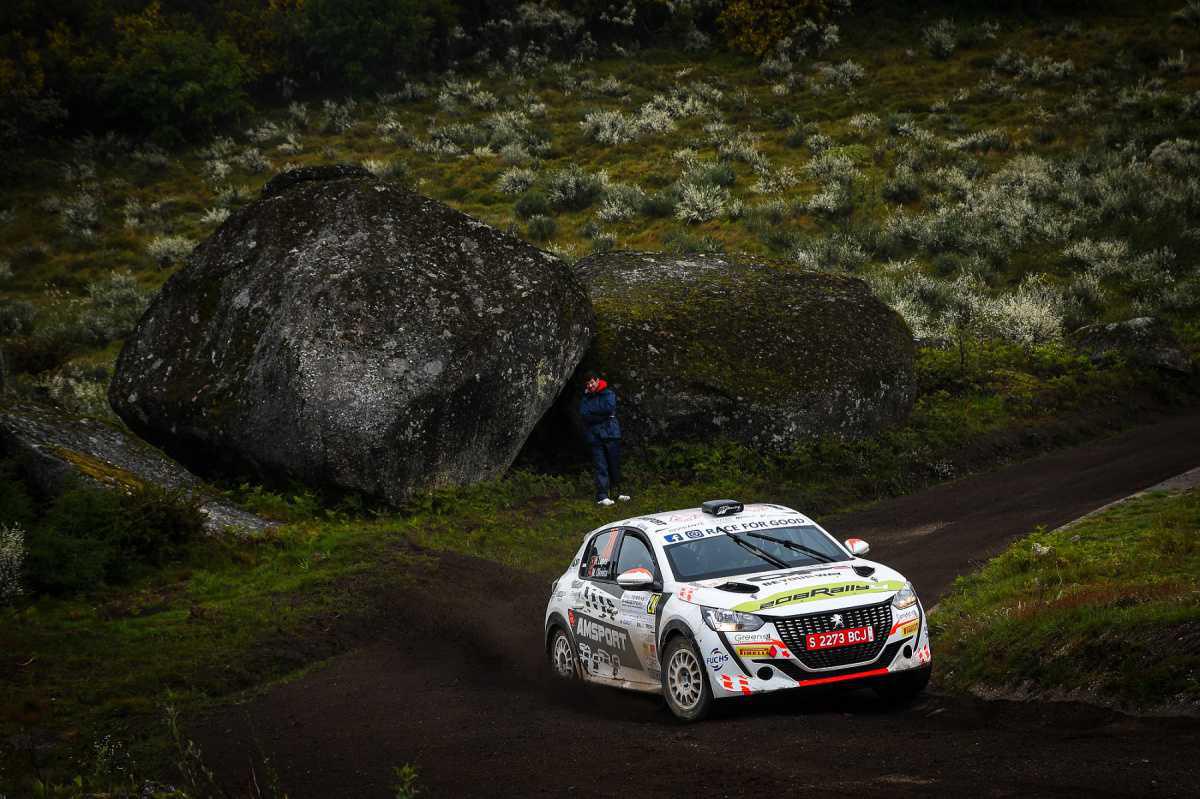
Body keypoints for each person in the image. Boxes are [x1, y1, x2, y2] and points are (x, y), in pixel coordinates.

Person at [579, 370, 630, 506]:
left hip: (611, 434)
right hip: (595, 436)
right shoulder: (585, 398)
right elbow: (584, 414)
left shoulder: (608, 393)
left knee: (614, 464)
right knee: (601, 466)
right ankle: (602, 496)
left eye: (591, 382)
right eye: (587, 384)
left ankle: (618, 493)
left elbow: (609, 408)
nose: (590, 386)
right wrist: (603, 415)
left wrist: (595, 414)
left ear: (597, 380)